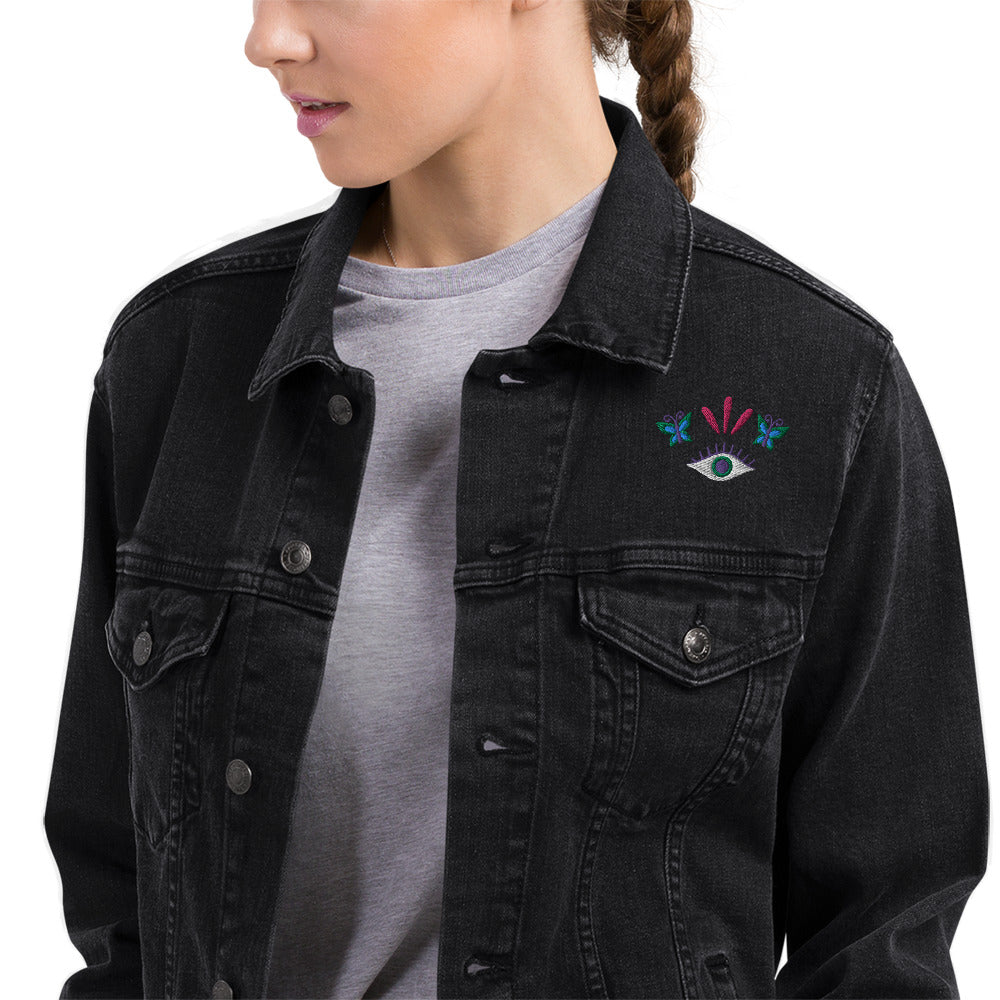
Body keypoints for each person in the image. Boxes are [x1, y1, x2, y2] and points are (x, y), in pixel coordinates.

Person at [44, 2, 988, 998]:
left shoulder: (815, 379)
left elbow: (881, 938)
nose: (268, 39)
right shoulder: (179, 356)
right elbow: (121, 909)